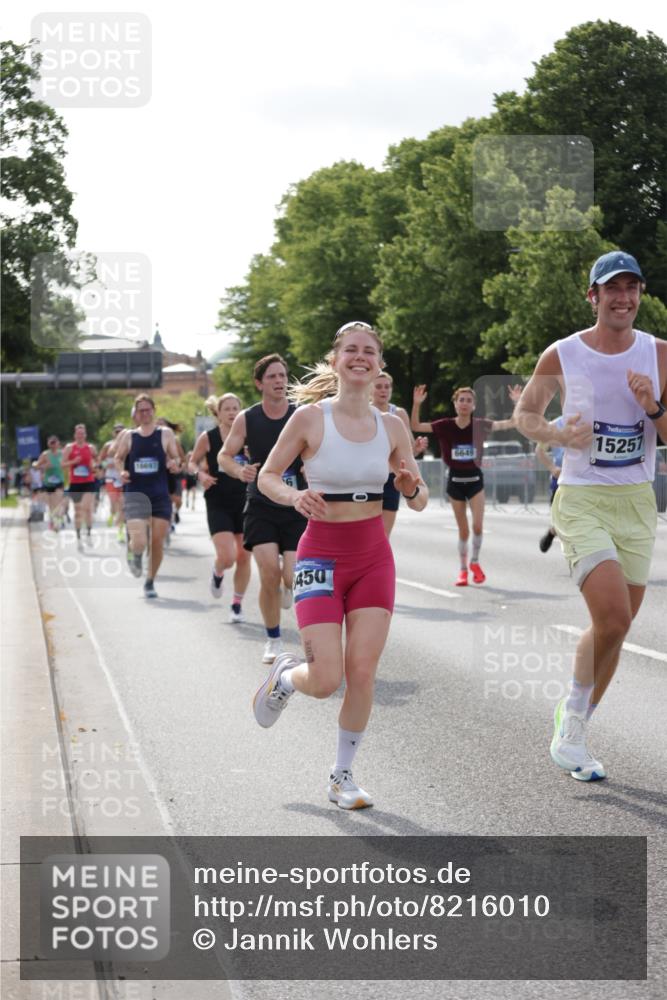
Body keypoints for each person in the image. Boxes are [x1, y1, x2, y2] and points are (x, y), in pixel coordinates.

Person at [252, 321, 429, 809]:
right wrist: (293, 495)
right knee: (326, 679)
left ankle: (342, 775)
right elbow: (267, 476)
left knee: (363, 671)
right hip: (320, 555)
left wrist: (412, 485)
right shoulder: (310, 418)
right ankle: (287, 678)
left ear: (379, 364)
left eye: (369, 351)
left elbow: (418, 499)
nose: (359, 357)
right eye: (350, 350)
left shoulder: (393, 425)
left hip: (373, 555)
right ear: (335, 361)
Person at [515, 250, 666, 782]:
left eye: (632, 288)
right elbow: (525, 413)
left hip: (636, 501)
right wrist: (558, 435)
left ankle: (575, 718)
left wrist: (653, 408)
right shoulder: (563, 353)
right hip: (580, 497)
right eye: (612, 288)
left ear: (640, 295)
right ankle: (574, 724)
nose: (623, 297)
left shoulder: (659, 354)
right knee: (615, 617)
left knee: (613, 631)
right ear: (593, 295)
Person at [220, 354, 308, 663]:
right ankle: (272, 639)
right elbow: (225, 455)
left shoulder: (301, 414)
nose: (279, 381)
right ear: (259, 383)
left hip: (296, 504)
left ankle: (287, 586)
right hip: (260, 503)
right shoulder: (248, 417)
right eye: (272, 376)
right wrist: (238, 470)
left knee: (292, 576)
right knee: (269, 572)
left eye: (283, 375)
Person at [411, 383, 521, 585]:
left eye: (469, 400)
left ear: (474, 405)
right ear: (455, 404)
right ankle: (462, 570)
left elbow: (512, 422)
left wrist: (517, 402)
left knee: (478, 527)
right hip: (455, 481)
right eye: (461, 400)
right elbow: (416, 426)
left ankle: (475, 562)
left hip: (475, 480)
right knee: (463, 530)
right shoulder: (444, 425)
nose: (464, 403)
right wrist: (417, 404)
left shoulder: (480, 425)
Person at [189, 394, 252, 622]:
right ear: (218, 412)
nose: (232, 412)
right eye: (227, 408)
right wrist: (200, 474)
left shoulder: (248, 436)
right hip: (218, 500)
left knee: (244, 556)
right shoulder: (209, 437)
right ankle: (218, 572)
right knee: (228, 557)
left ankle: (236, 604)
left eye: (236, 408)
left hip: (245, 499)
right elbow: (191, 462)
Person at [114, 395, 181, 599]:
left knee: (157, 542)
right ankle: (134, 552)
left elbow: (177, 457)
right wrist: (121, 472)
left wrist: (173, 463)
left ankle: (150, 581)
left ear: (153, 410)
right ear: (136, 414)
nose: (145, 413)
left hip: (160, 496)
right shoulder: (129, 436)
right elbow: (118, 457)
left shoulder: (165, 434)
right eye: (141, 410)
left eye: (148, 409)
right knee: (140, 541)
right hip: (136, 495)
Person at [371, 372, 428, 536]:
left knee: (383, 536)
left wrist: (416, 447)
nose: (383, 390)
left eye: (387, 387)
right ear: (370, 389)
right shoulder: (363, 412)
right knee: (366, 534)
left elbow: (409, 450)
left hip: (391, 480)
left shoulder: (399, 413)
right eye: (379, 386)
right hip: (370, 478)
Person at [61, 424, 98, 549]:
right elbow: (62, 464)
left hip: (88, 482)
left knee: (86, 508)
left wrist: (94, 467)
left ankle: (88, 534)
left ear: (85, 435)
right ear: (75, 435)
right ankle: (78, 538)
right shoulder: (69, 448)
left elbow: (97, 461)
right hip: (75, 484)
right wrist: (73, 462)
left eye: (82, 433)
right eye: (78, 433)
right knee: (78, 512)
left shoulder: (91, 448)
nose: (80, 436)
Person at [535, 415, 565, 552]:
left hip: (585, 481)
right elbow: (539, 450)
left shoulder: (592, 420)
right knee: (561, 521)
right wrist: (553, 469)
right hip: (560, 480)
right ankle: (552, 532)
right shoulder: (554, 425)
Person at [98, 423, 126, 541]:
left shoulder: (128, 444)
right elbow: (99, 460)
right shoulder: (108, 445)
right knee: (114, 504)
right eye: (117, 431)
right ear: (113, 433)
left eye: (121, 431)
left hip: (124, 479)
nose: (119, 433)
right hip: (111, 478)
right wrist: (106, 465)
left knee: (122, 506)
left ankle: (120, 531)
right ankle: (112, 514)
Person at [36, 436, 65, 530]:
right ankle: (53, 521)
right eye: (51, 443)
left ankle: (58, 522)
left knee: (59, 502)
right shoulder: (45, 454)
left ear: (58, 443)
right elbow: (36, 465)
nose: (53, 445)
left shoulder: (62, 453)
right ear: (48, 444)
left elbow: (67, 464)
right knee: (52, 505)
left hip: (59, 481)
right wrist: (45, 466)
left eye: (54, 442)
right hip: (48, 483)